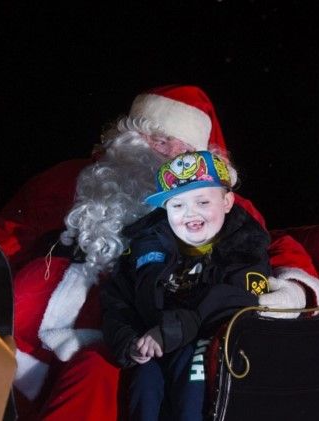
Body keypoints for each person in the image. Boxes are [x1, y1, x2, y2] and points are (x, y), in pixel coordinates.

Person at [0, 85, 319, 420]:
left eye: (182, 150)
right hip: (47, 335)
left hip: (159, 333)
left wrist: (290, 288)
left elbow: (270, 244)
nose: (166, 155)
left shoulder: (216, 205)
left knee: (101, 376)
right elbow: (3, 239)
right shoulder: (69, 181)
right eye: (158, 140)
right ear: (127, 141)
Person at [102, 151, 270, 420]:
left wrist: (173, 330)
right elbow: (117, 301)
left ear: (227, 201)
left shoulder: (245, 246)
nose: (190, 213)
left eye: (202, 201)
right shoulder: (147, 246)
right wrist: (129, 341)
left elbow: (237, 300)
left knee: (193, 363)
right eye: (177, 205)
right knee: (144, 382)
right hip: (154, 346)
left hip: (207, 346)